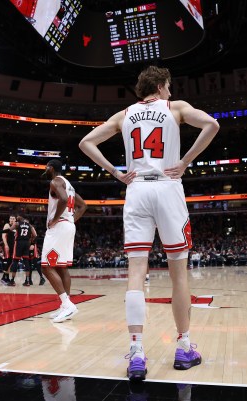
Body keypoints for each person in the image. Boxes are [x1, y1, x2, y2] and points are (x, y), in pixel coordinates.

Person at [79, 65, 220, 381]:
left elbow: (86, 143)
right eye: (169, 85)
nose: (171, 91)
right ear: (160, 86)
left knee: (136, 274)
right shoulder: (176, 108)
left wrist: (116, 173)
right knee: (178, 273)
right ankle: (184, 347)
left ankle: (137, 351)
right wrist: (184, 162)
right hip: (168, 186)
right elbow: (211, 125)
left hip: (137, 189)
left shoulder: (123, 115)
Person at [40, 159, 87, 323]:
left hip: (59, 227)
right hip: (68, 225)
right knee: (61, 267)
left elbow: (64, 200)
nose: (45, 169)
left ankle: (67, 305)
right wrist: (71, 220)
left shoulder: (55, 181)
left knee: (46, 267)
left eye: (46, 167)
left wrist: (54, 219)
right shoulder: (69, 184)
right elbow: (83, 205)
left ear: (51, 168)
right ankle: (64, 306)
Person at [9, 215, 37, 287]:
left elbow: (10, 229)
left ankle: (12, 281)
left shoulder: (17, 224)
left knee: (15, 261)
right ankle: (27, 281)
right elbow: (35, 235)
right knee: (26, 262)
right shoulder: (29, 225)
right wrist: (32, 243)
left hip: (18, 243)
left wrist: (16, 231)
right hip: (26, 243)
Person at [1, 215, 16, 284]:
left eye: (13, 218)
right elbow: (3, 236)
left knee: (10, 262)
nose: (12, 220)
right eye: (11, 218)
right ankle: (4, 277)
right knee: (9, 261)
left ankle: (6, 277)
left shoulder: (16, 227)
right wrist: (6, 245)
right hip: (8, 245)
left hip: (13, 246)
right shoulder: (7, 225)